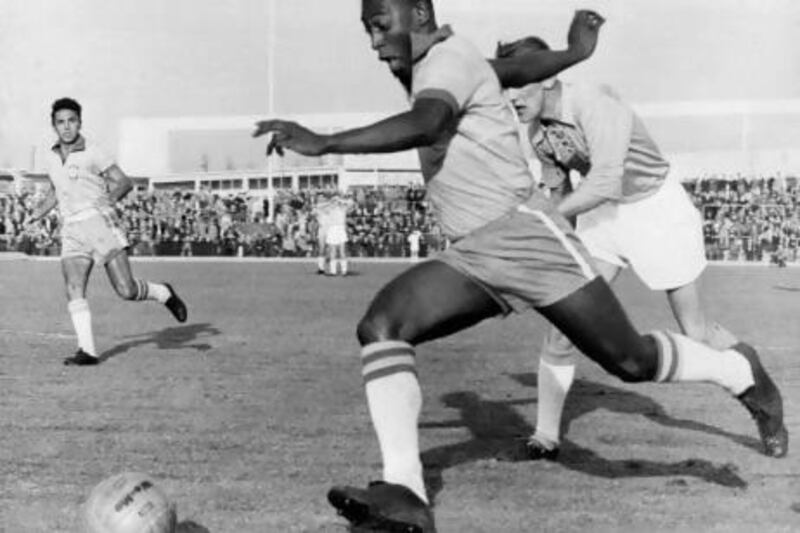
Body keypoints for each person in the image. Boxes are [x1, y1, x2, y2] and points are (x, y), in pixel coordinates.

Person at [253, 3, 786, 531]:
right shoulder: (450, 59)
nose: (374, 41)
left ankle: (739, 373)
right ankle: (405, 492)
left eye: (380, 25)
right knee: (383, 325)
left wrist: (325, 143)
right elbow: (509, 71)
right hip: (473, 252)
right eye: (367, 30)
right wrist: (573, 52)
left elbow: (428, 121)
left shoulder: (443, 63)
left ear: (418, 14)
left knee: (630, 361)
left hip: (528, 238)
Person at [496, 36, 746, 460]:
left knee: (696, 332)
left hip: (655, 206)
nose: (511, 96)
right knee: (565, 321)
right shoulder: (538, 133)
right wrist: (544, 246)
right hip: (604, 214)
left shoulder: (593, 102)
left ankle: (754, 382)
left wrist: (539, 218)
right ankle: (545, 436)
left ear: (550, 76)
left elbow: (604, 181)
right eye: (506, 85)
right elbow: (562, 198)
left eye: (520, 82)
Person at [29, 98, 188, 366]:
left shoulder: (94, 151)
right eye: (61, 122)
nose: (67, 127)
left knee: (126, 290)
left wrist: (109, 199)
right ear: (54, 126)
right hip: (71, 228)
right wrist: (36, 214)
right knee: (73, 287)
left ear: (79, 122)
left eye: (72, 121)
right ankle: (88, 351)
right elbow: (55, 191)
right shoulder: (51, 157)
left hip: (99, 223)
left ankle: (163, 293)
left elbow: (123, 182)